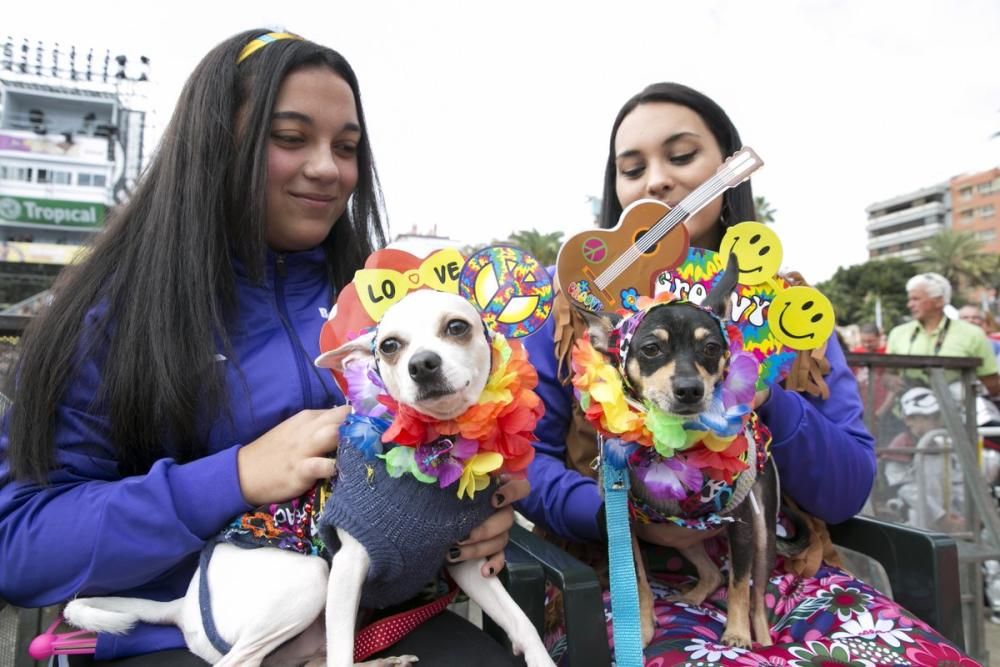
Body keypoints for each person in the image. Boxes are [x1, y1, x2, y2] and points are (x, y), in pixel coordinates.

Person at [0, 30, 524, 665]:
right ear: (215, 145)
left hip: (363, 622)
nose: (328, 168)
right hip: (165, 637)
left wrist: (466, 520)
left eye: (347, 147)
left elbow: (406, 480)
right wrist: (235, 477)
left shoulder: (385, 309)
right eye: (290, 138)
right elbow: (21, 544)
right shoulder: (106, 316)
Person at [517, 82, 974, 664]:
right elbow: (527, 461)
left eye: (681, 157)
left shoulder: (791, 318)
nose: (655, 180)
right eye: (631, 169)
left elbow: (846, 488)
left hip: (775, 572)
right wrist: (620, 514)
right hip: (618, 580)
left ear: (729, 174)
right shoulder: (571, 318)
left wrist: (763, 395)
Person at [886, 272, 1000, 397]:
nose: (909, 305)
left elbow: (991, 382)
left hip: (958, 413)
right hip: (907, 413)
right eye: (909, 299)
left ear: (939, 301)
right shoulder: (897, 334)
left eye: (916, 299)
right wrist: (889, 380)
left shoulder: (972, 334)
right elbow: (888, 374)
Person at [882, 387, 965, 533]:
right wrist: (940, 517)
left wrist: (964, 514)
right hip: (915, 521)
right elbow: (905, 488)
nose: (935, 422)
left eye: (936, 416)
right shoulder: (902, 445)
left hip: (952, 520)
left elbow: (957, 481)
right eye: (927, 417)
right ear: (908, 419)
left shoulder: (944, 443)